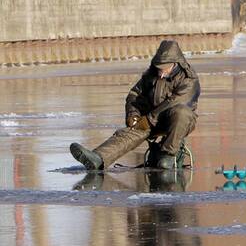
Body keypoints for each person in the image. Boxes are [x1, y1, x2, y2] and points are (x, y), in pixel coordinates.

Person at [70, 40, 200, 171]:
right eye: (159, 67)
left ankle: (168, 155)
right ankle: (98, 158)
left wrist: (148, 120)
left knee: (181, 112)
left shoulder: (188, 79)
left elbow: (175, 102)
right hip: (151, 119)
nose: (161, 72)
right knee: (129, 134)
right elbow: (135, 94)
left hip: (178, 122)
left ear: (175, 63)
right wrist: (133, 115)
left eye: (164, 68)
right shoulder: (151, 75)